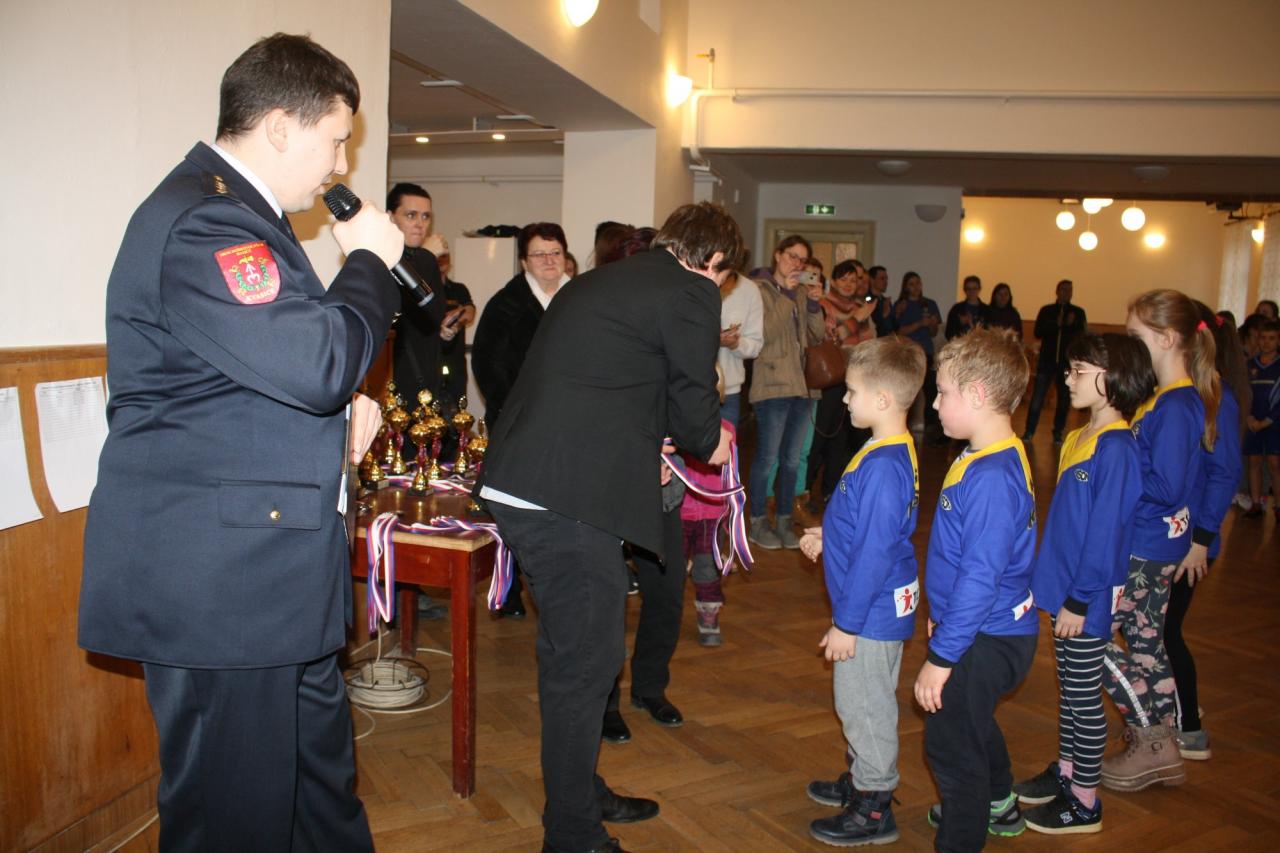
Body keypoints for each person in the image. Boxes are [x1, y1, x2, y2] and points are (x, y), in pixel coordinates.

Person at [77, 34, 404, 850]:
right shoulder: (204, 220)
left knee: (320, 798)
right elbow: (319, 362)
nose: (341, 165)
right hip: (222, 590)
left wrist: (343, 412)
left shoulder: (246, 219)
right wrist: (370, 263)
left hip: (271, 578)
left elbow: (257, 377)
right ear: (281, 127)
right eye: (337, 140)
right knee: (236, 820)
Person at [476, 202, 740, 853]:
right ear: (713, 261)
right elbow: (696, 412)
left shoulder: (603, 279)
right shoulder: (691, 290)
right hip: (564, 497)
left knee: (574, 656)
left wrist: (648, 439)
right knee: (585, 664)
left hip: (533, 479)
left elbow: (602, 382)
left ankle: (579, 793)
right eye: (723, 274)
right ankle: (572, 832)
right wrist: (714, 438)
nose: (719, 285)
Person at [1012, 333, 1152, 835]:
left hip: (1084, 596)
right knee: (1069, 691)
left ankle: (1085, 802)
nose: (1067, 379)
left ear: (1112, 378)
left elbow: (1106, 534)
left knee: (1083, 696)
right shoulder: (1080, 436)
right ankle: (1069, 774)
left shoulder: (1116, 448)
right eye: (1069, 369)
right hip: (1065, 589)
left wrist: (1079, 598)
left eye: (1078, 371)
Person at [798, 336, 926, 846]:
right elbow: (874, 528)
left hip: (868, 613)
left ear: (882, 399)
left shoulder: (884, 467)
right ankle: (862, 777)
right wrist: (830, 535)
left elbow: (874, 554)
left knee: (864, 706)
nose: (845, 399)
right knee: (866, 698)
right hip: (877, 605)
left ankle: (873, 804)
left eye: (851, 391)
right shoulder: (885, 448)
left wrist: (846, 625)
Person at [914, 328, 1038, 849]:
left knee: (951, 749)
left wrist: (942, 656)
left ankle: (962, 836)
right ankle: (1000, 803)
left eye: (943, 392)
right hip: (985, 628)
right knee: (972, 721)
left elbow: (980, 578)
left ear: (978, 395)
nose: (934, 403)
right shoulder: (992, 453)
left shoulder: (990, 478)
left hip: (985, 636)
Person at [1100, 289, 1219, 793]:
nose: (1129, 345)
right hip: (1152, 544)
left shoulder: (1174, 405)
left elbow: (1166, 486)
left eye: (1135, 336)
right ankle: (1163, 746)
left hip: (1145, 547)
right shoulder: (1170, 399)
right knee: (1147, 644)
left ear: (1167, 339)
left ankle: (1150, 739)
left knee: (1088, 641)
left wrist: (1113, 476)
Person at [471, 221, 571, 618]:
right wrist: (524, 412)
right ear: (524, 262)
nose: (548, 261)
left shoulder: (580, 296)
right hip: (520, 427)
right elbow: (488, 367)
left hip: (571, 428)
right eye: (539, 254)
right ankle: (510, 592)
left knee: (563, 509)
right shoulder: (505, 305)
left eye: (555, 253)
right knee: (517, 511)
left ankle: (560, 586)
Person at [1165, 305, 1247, 761]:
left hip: (1192, 542)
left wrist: (1201, 540)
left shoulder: (1216, 396)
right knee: (1154, 632)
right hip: (1169, 537)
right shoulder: (1177, 394)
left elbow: (1225, 472)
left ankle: (1190, 729)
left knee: (1165, 632)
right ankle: (1176, 706)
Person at [747, 236, 826, 550]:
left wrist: (814, 304)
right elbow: (765, 334)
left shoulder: (802, 291)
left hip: (802, 387)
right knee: (767, 459)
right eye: (792, 256)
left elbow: (816, 336)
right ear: (777, 255)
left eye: (802, 260)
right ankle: (757, 522)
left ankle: (783, 520)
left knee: (792, 460)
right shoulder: (759, 289)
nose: (797, 264)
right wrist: (788, 295)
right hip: (771, 385)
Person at [806, 259, 875, 512]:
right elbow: (830, 338)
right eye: (843, 279)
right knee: (821, 437)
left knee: (843, 441)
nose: (848, 284)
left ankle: (832, 492)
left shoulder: (860, 308)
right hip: (830, 380)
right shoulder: (824, 305)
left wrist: (860, 320)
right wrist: (856, 320)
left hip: (856, 380)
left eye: (853, 280)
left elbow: (869, 342)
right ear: (833, 281)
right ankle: (804, 491)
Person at [386, 183, 450, 452]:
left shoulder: (425, 260)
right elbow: (394, 305)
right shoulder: (378, 257)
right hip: (389, 372)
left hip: (425, 371)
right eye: (411, 215)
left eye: (425, 217)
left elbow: (432, 314)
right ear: (391, 217)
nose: (420, 224)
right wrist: (426, 257)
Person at [1023, 279, 1088, 444]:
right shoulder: (1047, 311)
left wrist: (1070, 325)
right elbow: (1038, 332)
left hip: (1068, 363)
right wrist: (1056, 324)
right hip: (1047, 361)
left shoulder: (1078, 313)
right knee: (1038, 397)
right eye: (1064, 289)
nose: (1067, 293)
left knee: (1065, 399)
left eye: (1070, 290)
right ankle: (1029, 431)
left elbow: (1082, 336)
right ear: (1057, 291)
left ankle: (1058, 432)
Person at [891, 271, 941, 439]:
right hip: (907, 353)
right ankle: (901, 426)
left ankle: (933, 429)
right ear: (905, 287)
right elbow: (898, 331)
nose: (916, 287)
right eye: (911, 284)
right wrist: (920, 323)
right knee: (906, 391)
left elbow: (934, 332)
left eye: (918, 283)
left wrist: (932, 324)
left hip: (926, 352)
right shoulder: (901, 305)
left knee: (931, 390)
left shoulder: (930, 304)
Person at [1243, 318, 1280, 518]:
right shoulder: (1250, 365)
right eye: (1263, 338)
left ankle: (1278, 506)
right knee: (1254, 460)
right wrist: (1249, 417)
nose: (1266, 342)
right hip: (1253, 421)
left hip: (1274, 422)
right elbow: (1244, 393)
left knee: (1275, 463)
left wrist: (1266, 421)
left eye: (1271, 338)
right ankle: (1256, 503)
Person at [716, 269, 763, 426]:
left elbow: (755, 345)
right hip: (685, 387)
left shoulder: (748, 289)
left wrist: (735, 344)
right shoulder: (691, 279)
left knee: (727, 441)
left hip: (727, 391)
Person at [945, 274, 987, 339]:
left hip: (981, 344)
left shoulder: (987, 310)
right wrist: (959, 323)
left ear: (979, 289)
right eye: (968, 289)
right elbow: (948, 334)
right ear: (964, 290)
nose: (971, 291)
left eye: (974, 288)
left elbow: (990, 334)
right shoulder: (956, 309)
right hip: (961, 344)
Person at [867, 264, 895, 337]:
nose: (886, 282)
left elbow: (894, 325)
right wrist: (884, 314)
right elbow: (871, 324)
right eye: (882, 278)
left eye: (886, 279)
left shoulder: (885, 301)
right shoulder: (867, 299)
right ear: (872, 280)